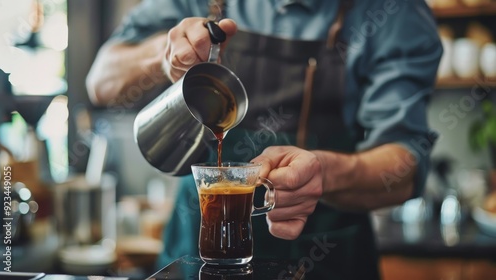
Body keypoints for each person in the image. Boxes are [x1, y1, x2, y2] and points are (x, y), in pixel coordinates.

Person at [86, 0, 442, 278]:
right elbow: (100, 81)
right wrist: (161, 57)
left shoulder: (392, 12)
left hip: (326, 259)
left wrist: (325, 172)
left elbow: (406, 167)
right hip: (195, 258)